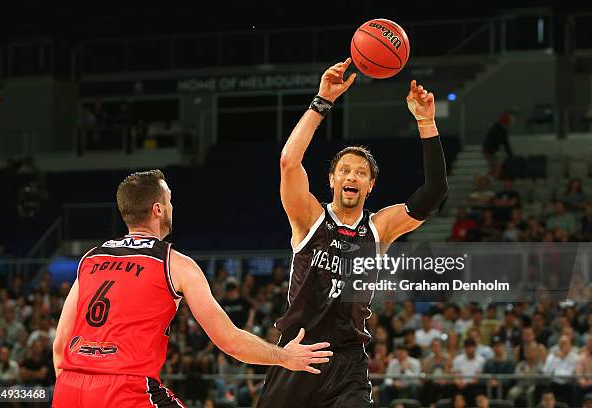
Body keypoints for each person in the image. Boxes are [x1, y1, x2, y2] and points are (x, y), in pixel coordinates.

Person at [52, 170, 333, 407]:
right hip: (125, 389)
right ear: (158, 209)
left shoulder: (91, 258)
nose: (172, 207)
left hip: (69, 387)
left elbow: (60, 345)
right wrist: (284, 357)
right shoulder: (175, 263)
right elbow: (230, 341)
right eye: (170, 200)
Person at [258, 58, 448, 408]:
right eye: (344, 170)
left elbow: (434, 191)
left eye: (360, 172)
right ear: (331, 180)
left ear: (371, 185)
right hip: (297, 350)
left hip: (348, 363)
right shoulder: (309, 218)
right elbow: (288, 160)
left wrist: (426, 122)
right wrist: (322, 101)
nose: (351, 176)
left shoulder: (379, 228)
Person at [482, 111, 513, 178]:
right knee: (497, 168)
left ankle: (485, 180)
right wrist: (511, 155)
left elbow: (504, 144)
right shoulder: (501, 131)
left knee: (494, 168)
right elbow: (506, 144)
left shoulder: (495, 128)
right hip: (489, 151)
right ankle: (487, 181)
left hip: (488, 150)